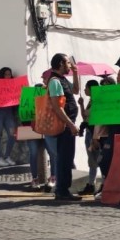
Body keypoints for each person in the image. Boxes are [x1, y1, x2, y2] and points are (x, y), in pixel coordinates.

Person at [46, 53, 81, 202]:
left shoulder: (62, 79)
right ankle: (62, 190)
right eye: (67, 63)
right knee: (64, 158)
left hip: (68, 125)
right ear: (60, 64)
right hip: (64, 125)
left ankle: (63, 189)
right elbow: (57, 107)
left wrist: (75, 73)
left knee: (67, 157)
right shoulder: (54, 81)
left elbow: (75, 91)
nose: (69, 65)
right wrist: (71, 124)